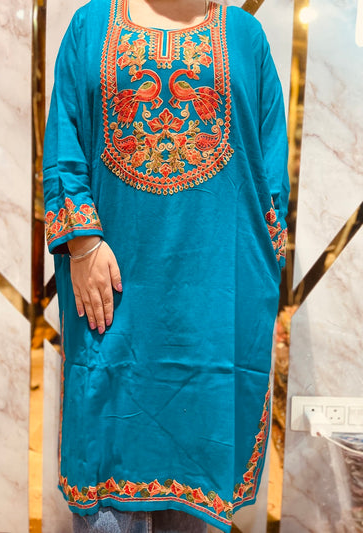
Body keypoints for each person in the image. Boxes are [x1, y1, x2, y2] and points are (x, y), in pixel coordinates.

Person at [42, 0, 289, 531]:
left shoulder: (245, 36)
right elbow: (65, 137)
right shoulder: (91, 26)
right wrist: (82, 242)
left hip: (214, 298)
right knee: (109, 479)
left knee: (197, 473)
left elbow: (270, 173)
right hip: (114, 294)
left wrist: (255, 264)